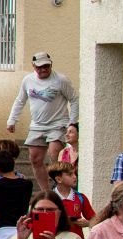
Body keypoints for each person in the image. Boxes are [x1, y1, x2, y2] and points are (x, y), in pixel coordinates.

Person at [7, 52, 77, 184]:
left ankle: (59, 187)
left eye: (46, 66)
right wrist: (12, 120)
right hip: (37, 124)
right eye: (39, 67)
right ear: (33, 66)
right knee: (35, 159)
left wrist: (72, 122)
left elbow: (73, 100)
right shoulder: (28, 80)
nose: (43, 69)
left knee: (54, 154)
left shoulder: (61, 80)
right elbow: (20, 100)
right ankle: (46, 192)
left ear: (51, 64)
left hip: (58, 123)